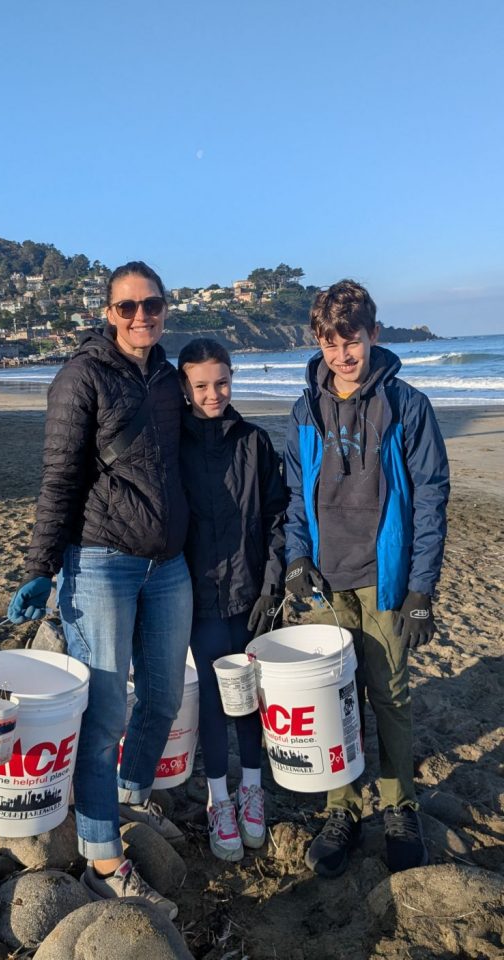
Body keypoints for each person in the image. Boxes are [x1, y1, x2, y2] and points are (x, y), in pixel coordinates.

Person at [7, 262, 193, 919]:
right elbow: (59, 476)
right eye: (128, 307)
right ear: (108, 313)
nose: (142, 316)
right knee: (106, 709)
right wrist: (40, 567)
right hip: (102, 561)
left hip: (168, 565)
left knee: (166, 692)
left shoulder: (169, 379)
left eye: (153, 305)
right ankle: (103, 856)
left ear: (166, 309)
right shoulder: (80, 378)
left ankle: (130, 791)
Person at [283, 279, 449, 878]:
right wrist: (296, 558)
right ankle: (343, 808)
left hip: (384, 579)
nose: (341, 355)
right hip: (327, 582)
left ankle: (401, 806)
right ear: (318, 342)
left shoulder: (408, 406)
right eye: (329, 343)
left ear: (373, 336)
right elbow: (294, 497)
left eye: (350, 341)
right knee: (336, 699)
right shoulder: (305, 407)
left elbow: (431, 499)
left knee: (391, 695)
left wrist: (422, 590)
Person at [178, 338, 286, 862]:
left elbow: (277, 517)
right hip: (195, 598)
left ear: (232, 378)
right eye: (201, 385)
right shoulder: (172, 443)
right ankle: (218, 799)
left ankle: (251, 790)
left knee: (250, 697)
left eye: (221, 382)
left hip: (250, 594)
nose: (213, 393)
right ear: (185, 387)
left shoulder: (255, 441)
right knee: (216, 704)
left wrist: (272, 585)